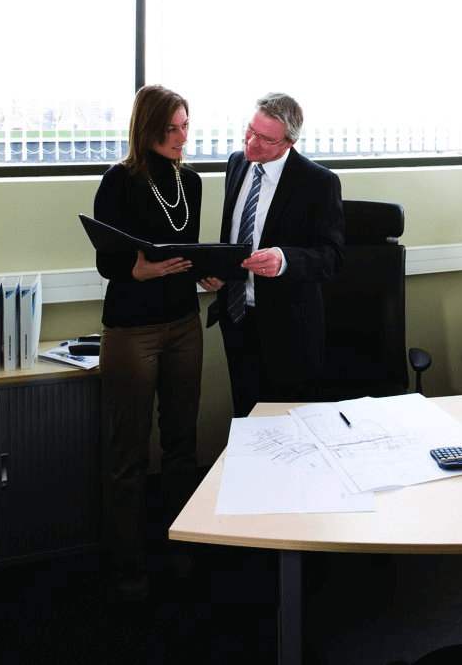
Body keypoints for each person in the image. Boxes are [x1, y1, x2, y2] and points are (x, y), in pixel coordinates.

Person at [93, 84, 203, 603]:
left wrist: (207, 272)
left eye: (186, 126)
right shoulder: (117, 182)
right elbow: (106, 261)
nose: (183, 137)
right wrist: (135, 271)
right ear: (148, 130)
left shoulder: (191, 182)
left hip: (183, 324)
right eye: (172, 129)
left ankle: (180, 550)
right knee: (129, 455)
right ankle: (128, 569)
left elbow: (187, 250)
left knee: (182, 444)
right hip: (132, 330)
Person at [205, 92, 344, 417]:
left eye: (265, 139)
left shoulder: (318, 182)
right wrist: (219, 270)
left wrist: (285, 260)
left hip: (288, 330)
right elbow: (236, 235)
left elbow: (332, 257)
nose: (252, 143)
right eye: (250, 130)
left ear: (288, 143)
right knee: (245, 416)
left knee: (288, 426)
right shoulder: (237, 163)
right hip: (237, 319)